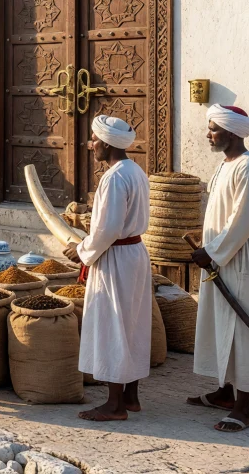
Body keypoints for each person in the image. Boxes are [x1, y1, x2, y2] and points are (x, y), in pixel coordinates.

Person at [64, 116, 153, 422]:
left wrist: (82, 251)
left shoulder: (114, 177)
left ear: (105, 143)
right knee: (133, 323)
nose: (91, 146)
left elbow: (108, 229)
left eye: (93, 140)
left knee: (114, 323)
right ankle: (131, 396)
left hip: (116, 257)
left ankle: (114, 405)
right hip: (134, 254)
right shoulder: (135, 171)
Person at [188, 104, 249, 433]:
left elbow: (243, 221)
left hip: (239, 259)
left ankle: (243, 408)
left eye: (214, 129)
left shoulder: (248, 168)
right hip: (220, 257)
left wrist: (212, 252)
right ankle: (223, 392)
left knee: (243, 331)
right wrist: (211, 250)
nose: (208, 134)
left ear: (233, 132)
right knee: (220, 324)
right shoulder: (225, 165)